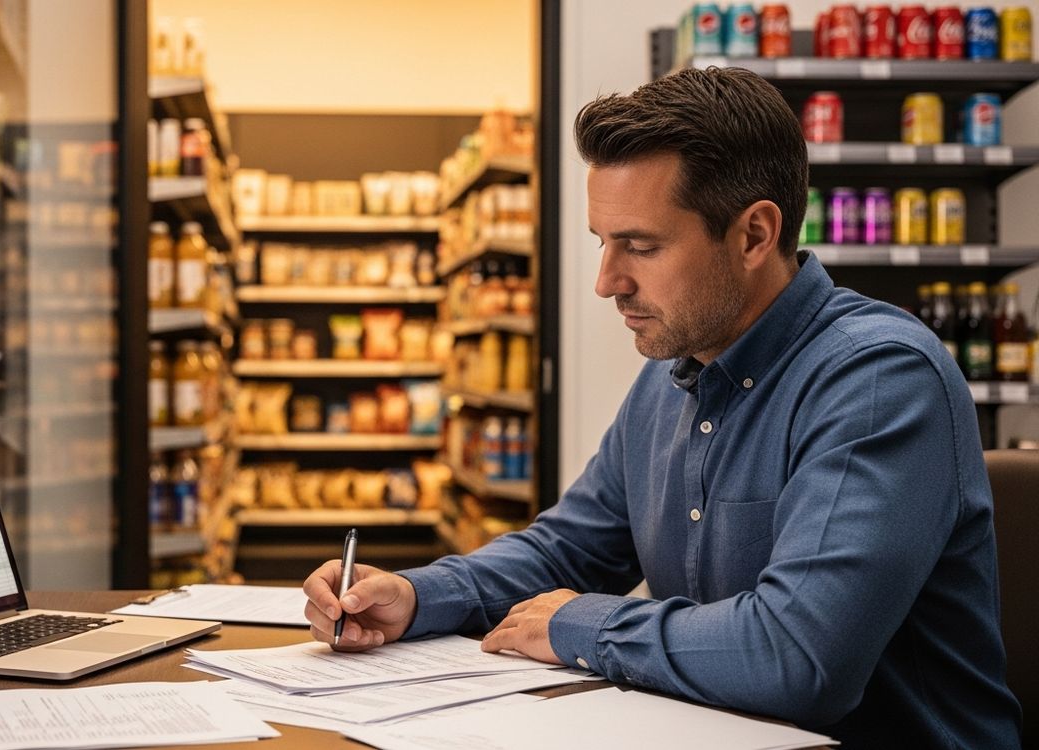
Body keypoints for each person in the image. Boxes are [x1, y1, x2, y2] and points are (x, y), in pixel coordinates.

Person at [302, 67, 1021, 749]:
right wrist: (413, 596)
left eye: (639, 246)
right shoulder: (676, 370)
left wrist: (582, 623)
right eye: (603, 243)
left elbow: (798, 658)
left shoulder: (875, 379)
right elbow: (569, 549)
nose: (606, 281)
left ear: (753, 234)